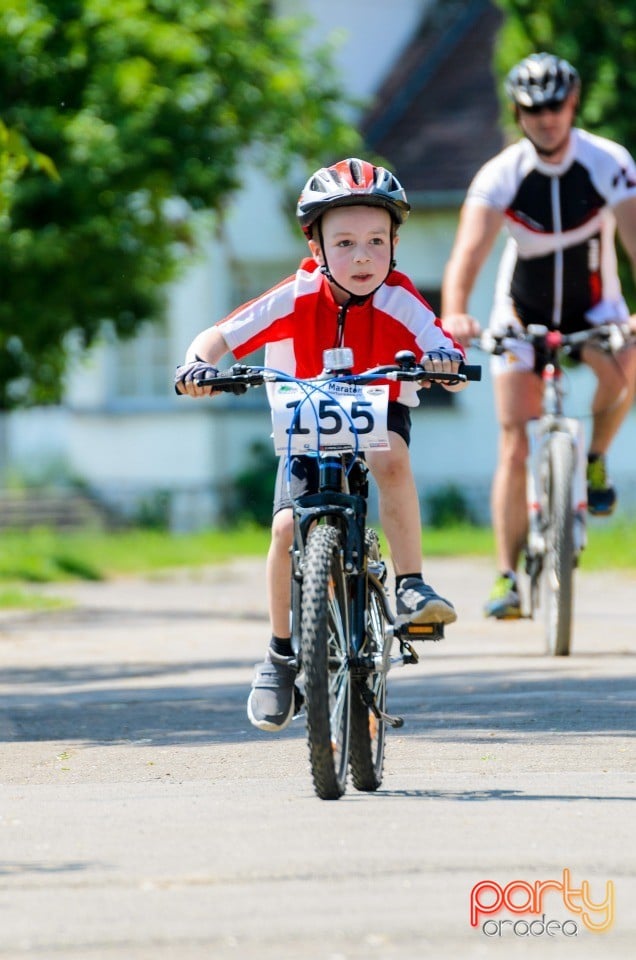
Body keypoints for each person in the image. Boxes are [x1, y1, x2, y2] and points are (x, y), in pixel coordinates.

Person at [175, 157, 468, 731]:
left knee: (389, 455)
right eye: (346, 243)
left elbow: (442, 342)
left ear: (394, 244)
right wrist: (197, 365)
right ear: (316, 249)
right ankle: (281, 654)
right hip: (306, 418)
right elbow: (221, 335)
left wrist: (445, 362)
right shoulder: (294, 295)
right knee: (286, 529)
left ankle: (410, 585)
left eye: (377, 242)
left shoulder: (400, 297)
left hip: (377, 410)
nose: (363, 257)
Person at [441, 52, 636, 620]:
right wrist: (455, 311)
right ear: (518, 112)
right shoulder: (500, 174)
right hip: (519, 311)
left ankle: (594, 456)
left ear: (572, 105)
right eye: (533, 109)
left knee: (627, 369)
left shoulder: (609, 162)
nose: (546, 118)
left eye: (555, 106)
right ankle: (506, 577)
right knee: (513, 438)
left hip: (595, 304)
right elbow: (467, 254)